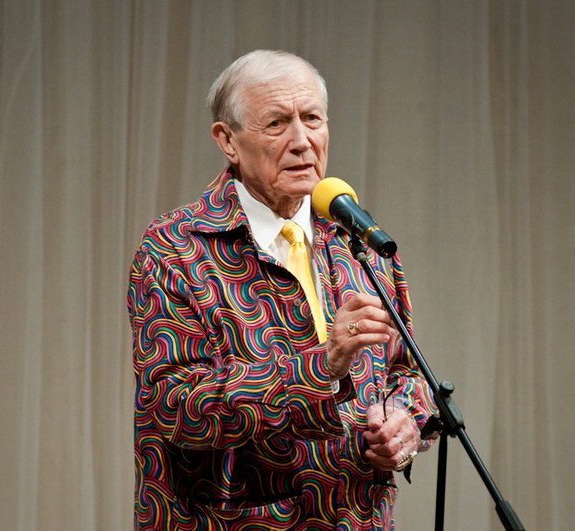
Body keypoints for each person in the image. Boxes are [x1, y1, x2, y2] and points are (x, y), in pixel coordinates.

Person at [128, 50, 436, 530]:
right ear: (228, 141)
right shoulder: (176, 248)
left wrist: (405, 421)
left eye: (312, 119)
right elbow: (176, 409)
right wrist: (322, 365)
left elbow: (406, 371)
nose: (301, 141)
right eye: (276, 123)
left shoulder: (359, 241)